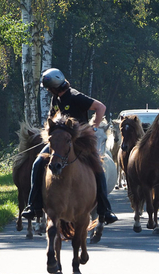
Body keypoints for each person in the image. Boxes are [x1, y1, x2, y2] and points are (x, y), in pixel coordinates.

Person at [21, 68, 118, 225]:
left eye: (49, 88)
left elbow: (101, 107)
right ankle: (34, 205)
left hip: (80, 140)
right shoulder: (56, 99)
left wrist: (94, 127)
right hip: (60, 141)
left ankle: (105, 210)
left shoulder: (75, 96)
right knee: (38, 163)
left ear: (55, 87)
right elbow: (52, 118)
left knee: (98, 167)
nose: (49, 91)